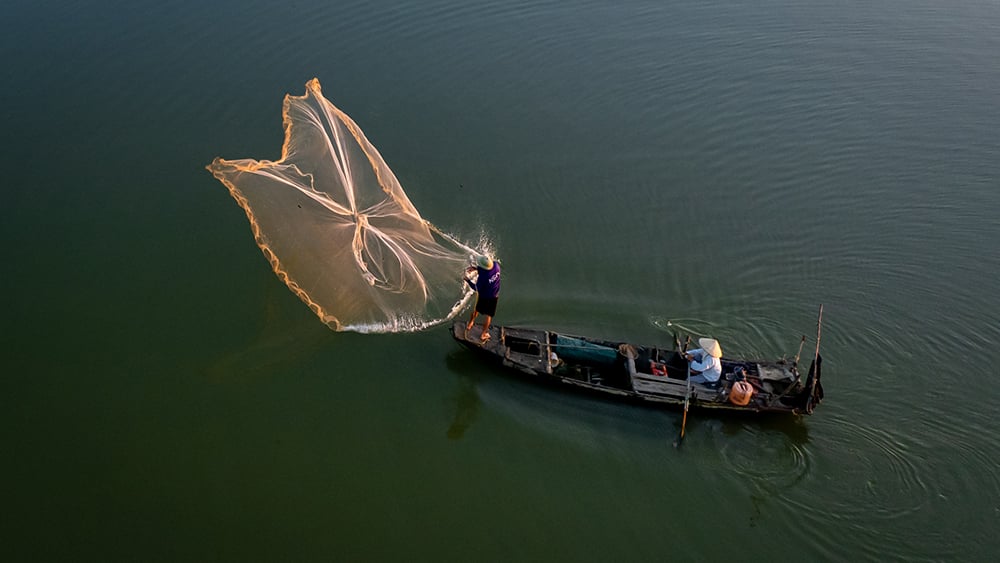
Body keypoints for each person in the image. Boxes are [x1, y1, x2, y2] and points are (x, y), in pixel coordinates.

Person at [464, 254, 501, 342]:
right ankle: (483, 334)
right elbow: (487, 270)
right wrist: (476, 268)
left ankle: (470, 323)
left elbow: (475, 288)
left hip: (484, 296)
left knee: (476, 309)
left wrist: (468, 280)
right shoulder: (496, 265)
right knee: (488, 316)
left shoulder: (483, 277)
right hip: (494, 295)